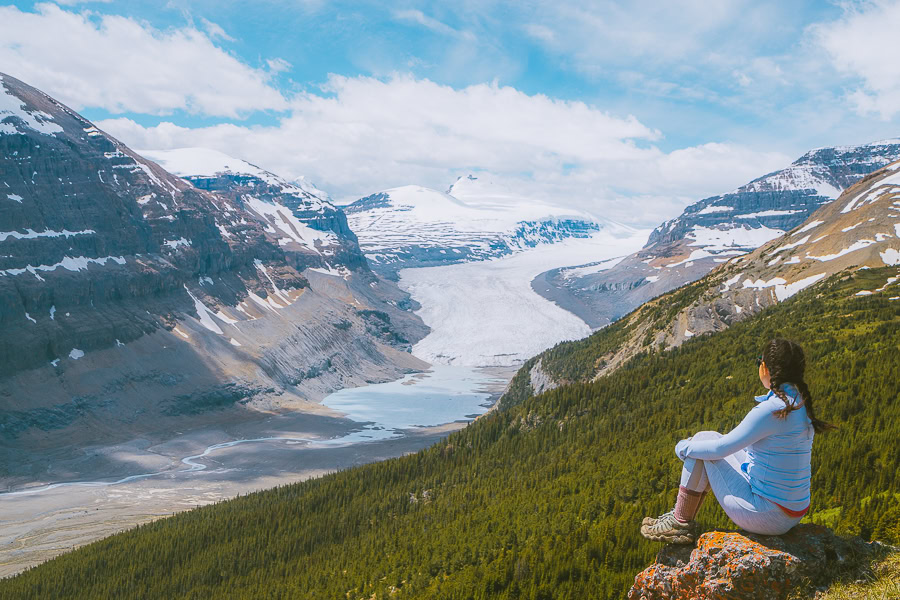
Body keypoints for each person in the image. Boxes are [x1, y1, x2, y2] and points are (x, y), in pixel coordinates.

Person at [640, 338, 834, 543]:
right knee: (705, 439)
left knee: (699, 449)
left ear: (766, 369)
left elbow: (720, 449)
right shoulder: (799, 402)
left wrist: (682, 448)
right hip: (792, 510)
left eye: (760, 361)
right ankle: (679, 519)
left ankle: (679, 523)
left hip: (767, 515)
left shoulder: (772, 410)